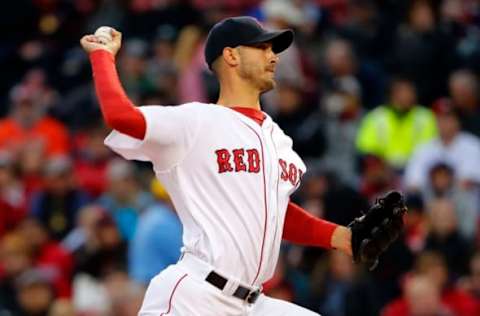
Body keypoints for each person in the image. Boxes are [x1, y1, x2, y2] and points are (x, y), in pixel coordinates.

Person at [80, 16, 355, 315]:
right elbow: (121, 116)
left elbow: (272, 212)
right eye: (262, 47)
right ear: (231, 55)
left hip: (253, 303)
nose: (273, 56)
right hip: (195, 297)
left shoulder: (278, 139)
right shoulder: (195, 122)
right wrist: (102, 56)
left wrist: (339, 236)